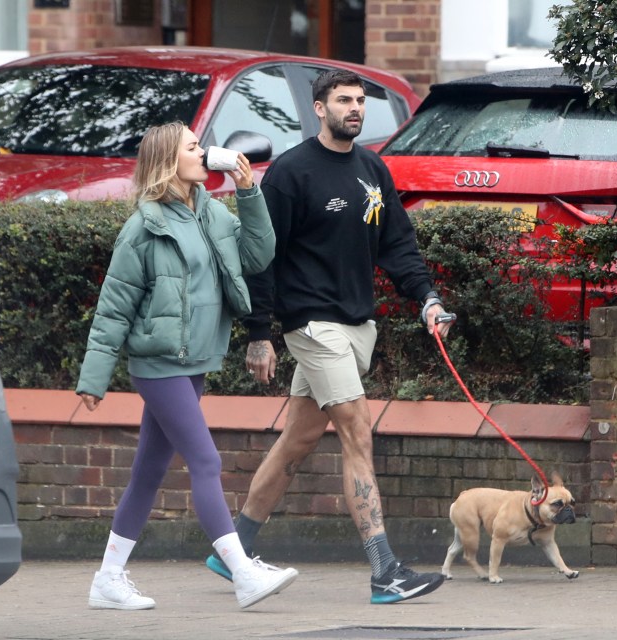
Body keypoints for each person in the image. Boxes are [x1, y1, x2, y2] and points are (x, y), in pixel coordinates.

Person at [204, 69, 454, 604]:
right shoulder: (292, 174)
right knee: (357, 432)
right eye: (344, 100)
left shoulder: (372, 169)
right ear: (320, 108)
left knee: (297, 441)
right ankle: (385, 571)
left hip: (356, 324)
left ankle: (234, 550)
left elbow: (398, 244)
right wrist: (259, 333)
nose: (355, 109)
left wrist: (427, 297)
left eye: (361, 101)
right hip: (312, 325)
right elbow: (261, 257)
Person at [76, 121, 298, 611]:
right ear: (167, 162)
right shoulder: (144, 226)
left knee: (148, 472)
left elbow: (259, 255)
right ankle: (242, 572)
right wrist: (94, 376)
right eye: (193, 147)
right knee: (206, 461)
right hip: (159, 364)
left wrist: (249, 192)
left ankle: (108, 579)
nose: (204, 152)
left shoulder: (211, 212)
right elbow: (114, 307)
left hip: (194, 360)